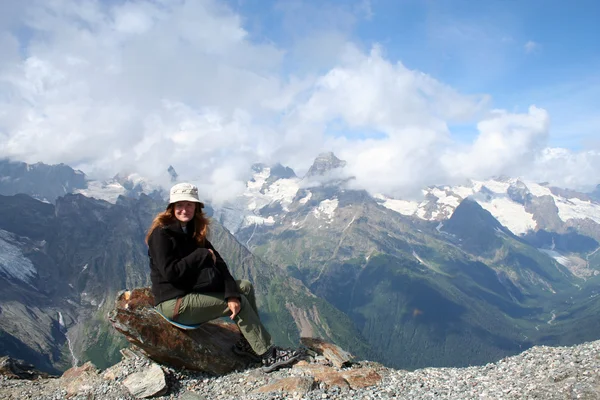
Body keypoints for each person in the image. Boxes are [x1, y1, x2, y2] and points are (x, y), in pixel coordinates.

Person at [146, 182, 300, 373]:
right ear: (172, 208)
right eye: (180, 205)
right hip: (174, 302)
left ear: (196, 207)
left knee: (244, 287)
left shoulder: (193, 231)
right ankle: (267, 354)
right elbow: (171, 273)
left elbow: (220, 263)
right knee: (241, 304)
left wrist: (231, 294)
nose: (184, 209)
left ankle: (247, 344)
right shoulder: (161, 234)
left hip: (191, 291)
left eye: (189, 205)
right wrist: (201, 255)